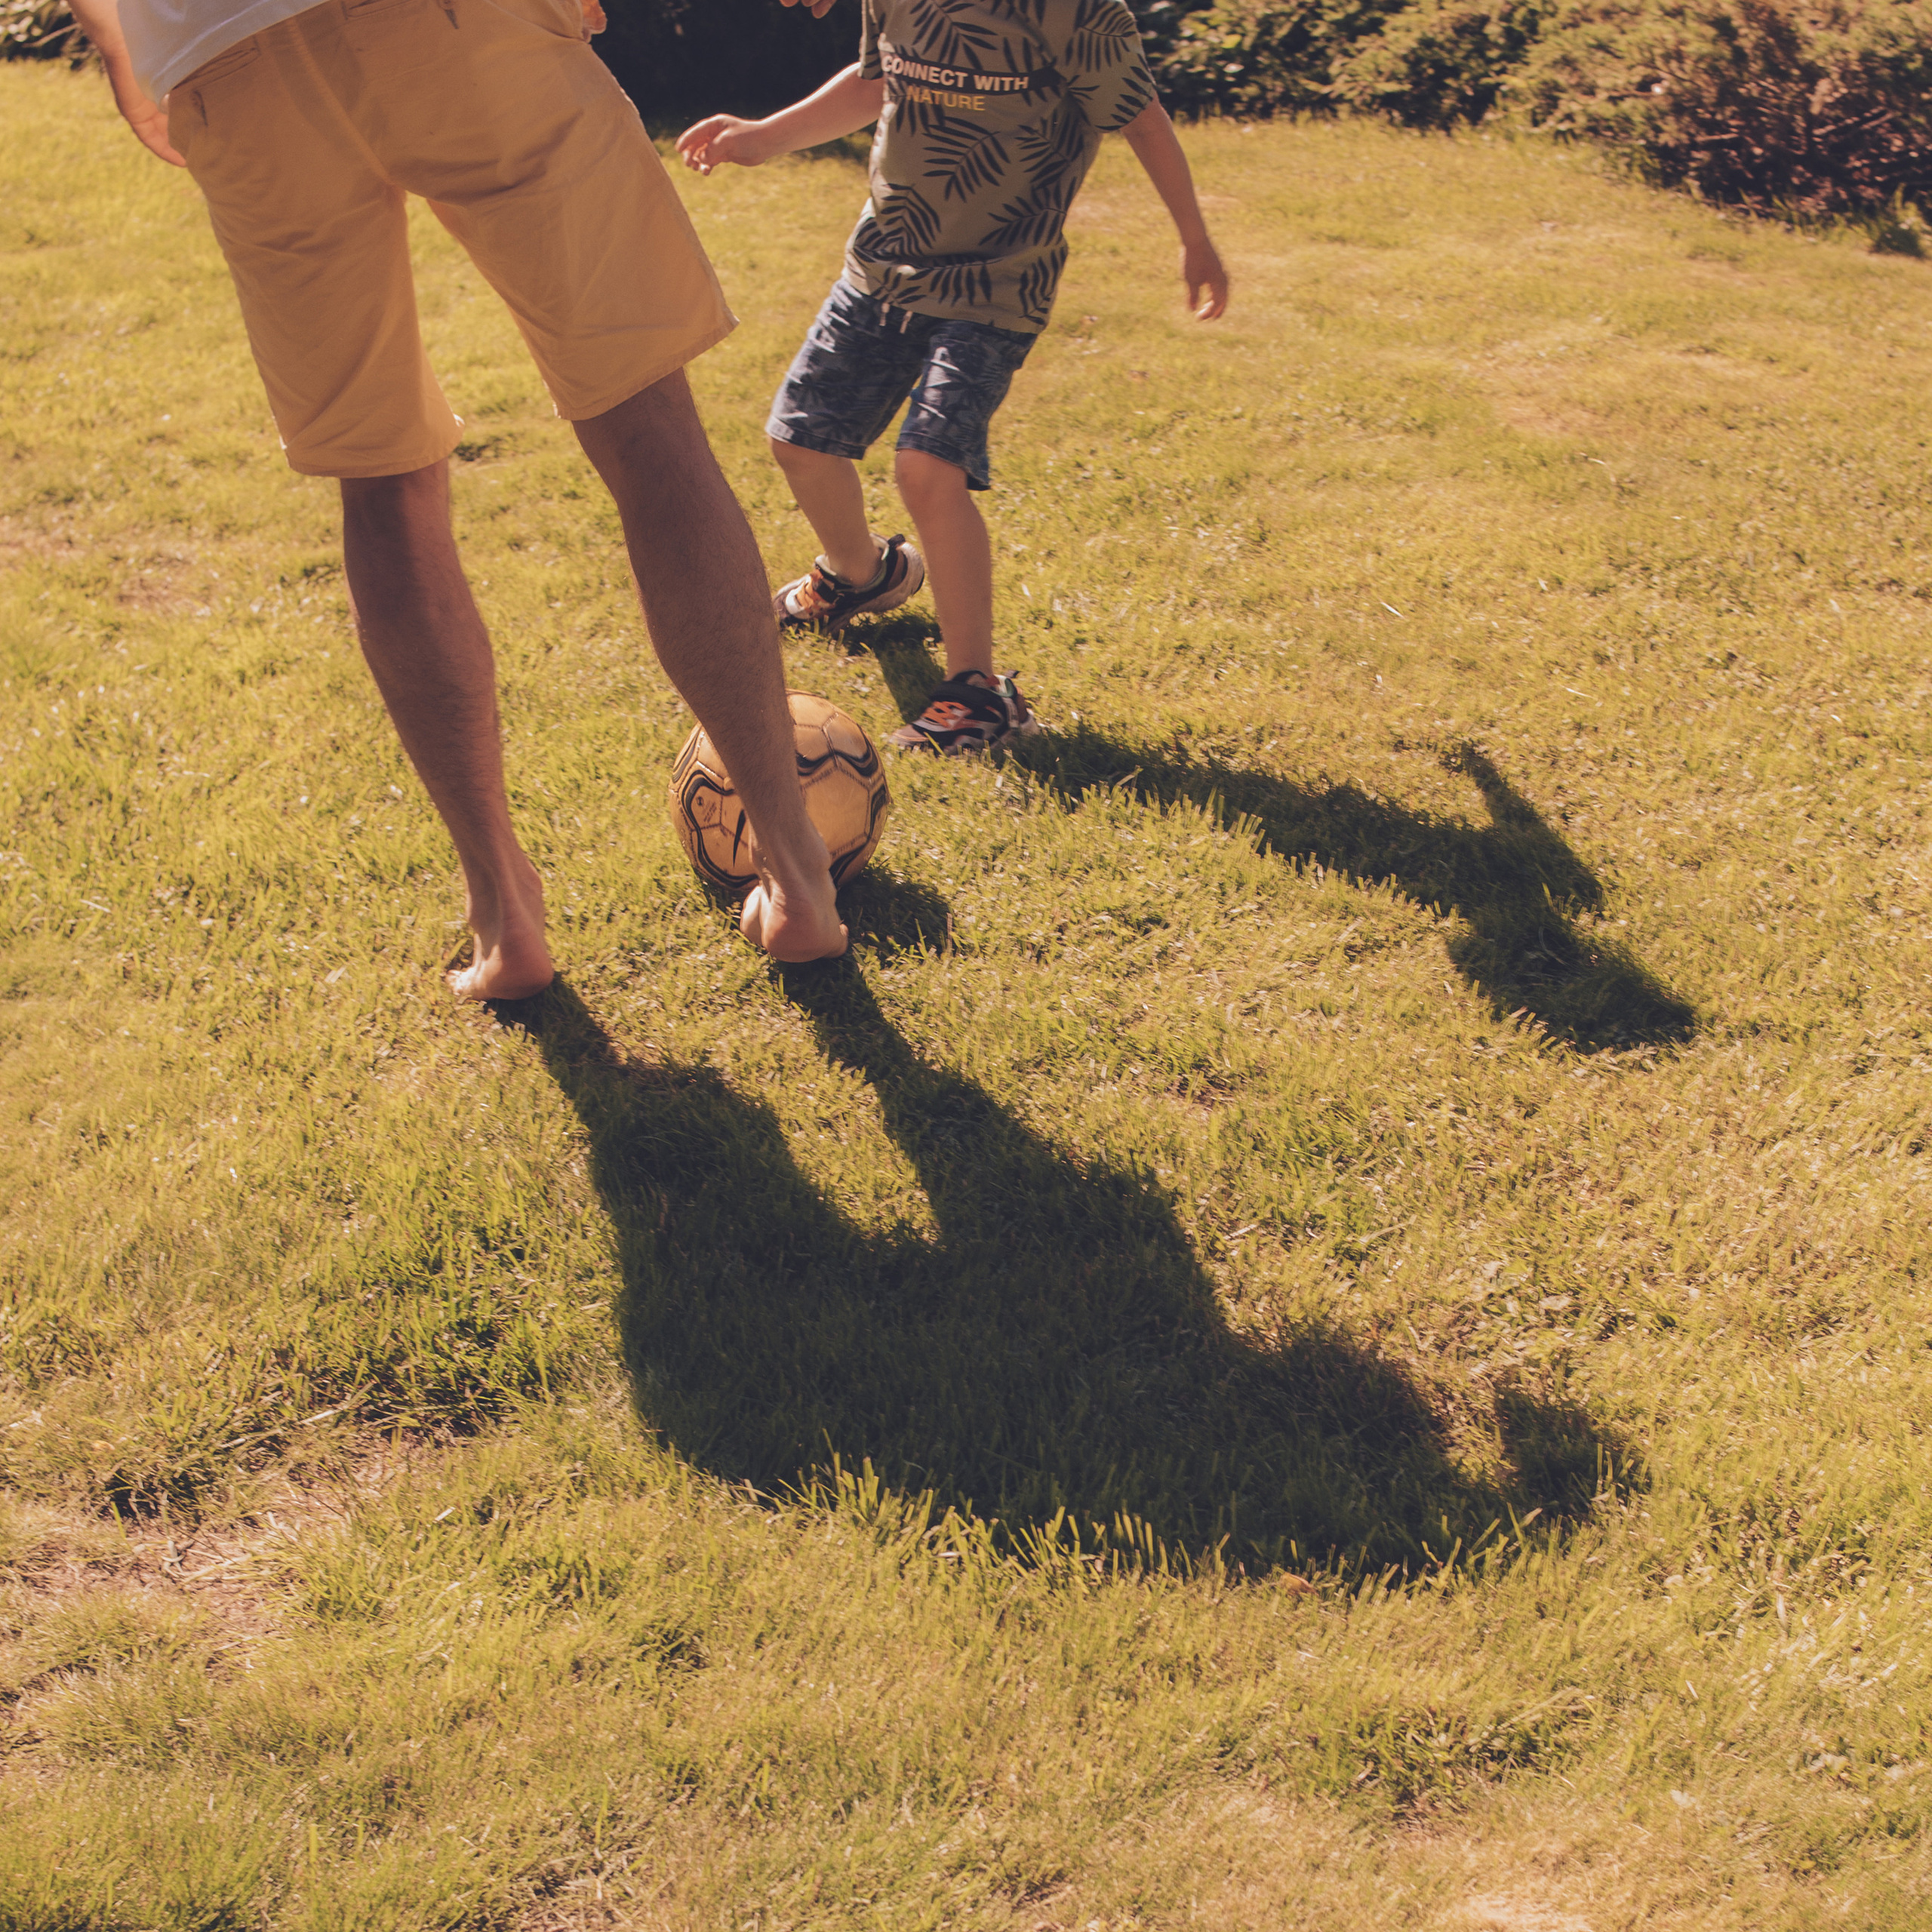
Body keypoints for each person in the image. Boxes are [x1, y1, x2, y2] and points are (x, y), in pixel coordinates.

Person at [65, 0, 851, 993]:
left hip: (230, 66)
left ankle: (503, 915)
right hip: (454, 24)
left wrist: (119, 43)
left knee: (381, 484)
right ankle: (794, 875)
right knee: (651, 435)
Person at [676, 0, 1229, 754]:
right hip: (882, 266)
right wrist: (765, 137)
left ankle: (979, 694)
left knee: (929, 467)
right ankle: (862, 576)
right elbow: (880, 82)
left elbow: (1139, 116)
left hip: (997, 284)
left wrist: (1194, 240)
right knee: (801, 440)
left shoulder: (1070, 11)